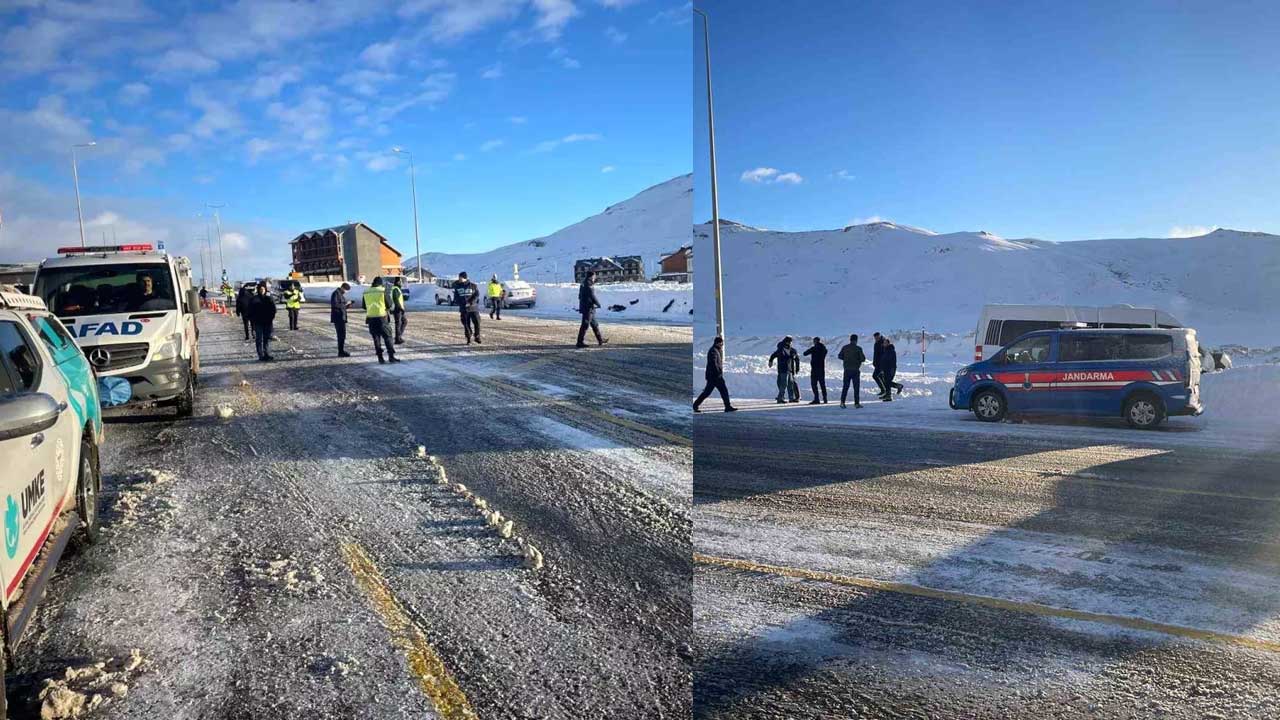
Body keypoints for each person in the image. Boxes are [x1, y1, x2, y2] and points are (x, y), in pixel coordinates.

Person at [693, 337, 737, 413]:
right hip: (714, 376)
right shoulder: (713, 351)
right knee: (720, 391)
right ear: (717, 343)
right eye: (721, 343)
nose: (722, 345)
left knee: (709, 392)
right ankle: (727, 406)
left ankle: (695, 405)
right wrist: (718, 372)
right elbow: (713, 363)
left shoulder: (716, 350)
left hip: (714, 376)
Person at [363, 277, 400, 363]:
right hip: (382, 317)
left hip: (371, 318)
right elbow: (389, 304)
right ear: (380, 283)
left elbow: (364, 306)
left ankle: (380, 358)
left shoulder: (366, 292)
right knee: (388, 337)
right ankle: (391, 356)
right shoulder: (383, 291)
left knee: (376, 339)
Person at [576, 270, 608, 348]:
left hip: (586, 306)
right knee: (585, 324)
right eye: (594, 276)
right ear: (592, 276)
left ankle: (600, 339)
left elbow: (580, 295)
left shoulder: (583, 283)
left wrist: (583, 303)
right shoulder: (588, 283)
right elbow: (592, 295)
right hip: (588, 307)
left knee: (594, 324)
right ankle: (579, 342)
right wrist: (598, 303)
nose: (595, 277)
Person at [247, 281, 277, 361]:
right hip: (258, 323)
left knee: (266, 339)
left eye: (263, 289)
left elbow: (273, 310)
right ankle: (261, 355)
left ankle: (266, 354)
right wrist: (252, 320)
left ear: (265, 289)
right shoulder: (254, 299)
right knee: (259, 339)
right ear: (258, 289)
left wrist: (271, 318)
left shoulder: (269, 298)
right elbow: (250, 311)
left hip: (267, 322)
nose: (262, 290)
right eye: (260, 289)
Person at [837, 334, 867, 408]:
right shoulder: (858, 348)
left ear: (850, 339)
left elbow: (840, 356)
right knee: (856, 387)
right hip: (855, 370)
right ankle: (856, 403)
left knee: (845, 387)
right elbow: (863, 359)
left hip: (847, 370)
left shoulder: (845, 347)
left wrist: (846, 359)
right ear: (856, 340)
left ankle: (842, 402)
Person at [452, 272, 482, 345]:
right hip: (464, 309)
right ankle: (468, 337)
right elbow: (456, 298)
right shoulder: (457, 287)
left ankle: (477, 336)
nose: (459, 279)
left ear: (464, 278)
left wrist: (470, 302)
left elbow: (476, 295)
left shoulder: (473, 286)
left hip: (473, 308)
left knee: (477, 322)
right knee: (466, 324)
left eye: (460, 277)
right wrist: (461, 303)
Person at [769, 336, 800, 404]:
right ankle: (780, 398)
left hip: (790, 370)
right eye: (789, 342)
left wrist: (797, 368)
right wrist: (770, 361)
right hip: (783, 369)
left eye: (791, 342)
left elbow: (797, 359)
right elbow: (773, 355)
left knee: (790, 384)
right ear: (786, 342)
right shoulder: (780, 349)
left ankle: (791, 398)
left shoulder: (792, 350)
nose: (790, 343)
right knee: (783, 384)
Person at [802, 336, 829, 404]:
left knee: (814, 384)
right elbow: (825, 352)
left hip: (814, 369)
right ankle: (825, 399)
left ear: (815, 341)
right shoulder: (824, 349)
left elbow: (805, 353)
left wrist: (812, 350)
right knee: (822, 384)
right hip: (821, 369)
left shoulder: (813, 348)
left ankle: (816, 399)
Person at [330, 282, 352, 357]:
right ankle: (340, 352)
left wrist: (348, 305)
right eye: (346, 290)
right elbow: (335, 304)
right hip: (338, 317)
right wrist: (345, 304)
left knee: (342, 335)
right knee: (341, 335)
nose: (346, 292)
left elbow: (342, 306)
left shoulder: (340, 294)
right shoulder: (336, 293)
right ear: (342, 287)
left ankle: (341, 350)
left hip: (341, 317)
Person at [388, 276, 407, 344]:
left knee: (404, 322)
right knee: (398, 323)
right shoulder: (395, 289)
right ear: (398, 282)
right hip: (397, 309)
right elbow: (396, 299)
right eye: (400, 281)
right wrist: (400, 308)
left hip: (399, 308)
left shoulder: (397, 288)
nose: (401, 283)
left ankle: (398, 337)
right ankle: (397, 339)